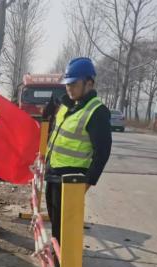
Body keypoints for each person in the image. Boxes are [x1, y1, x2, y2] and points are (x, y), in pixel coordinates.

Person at [45, 57, 112, 244]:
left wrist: (87, 183)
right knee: (54, 220)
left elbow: (102, 153)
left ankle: (63, 259)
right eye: (67, 84)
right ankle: (56, 252)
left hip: (72, 179)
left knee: (65, 225)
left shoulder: (97, 112)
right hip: (53, 173)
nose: (69, 88)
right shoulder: (67, 105)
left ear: (89, 83)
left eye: (74, 84)